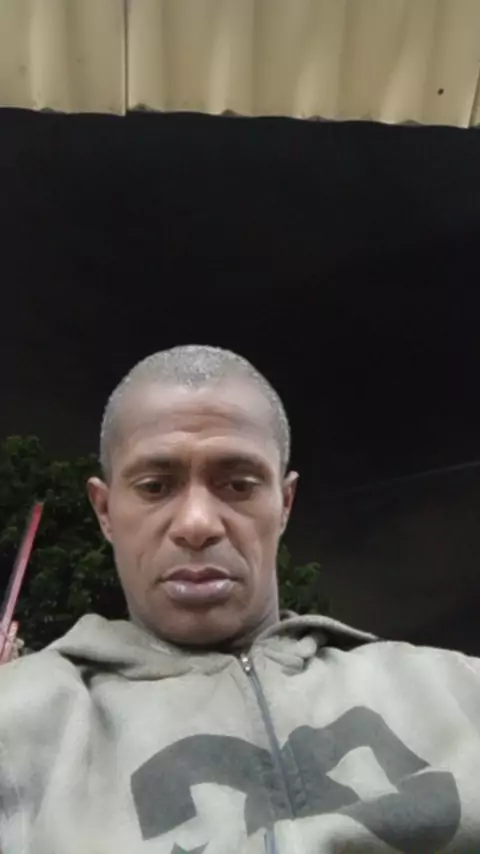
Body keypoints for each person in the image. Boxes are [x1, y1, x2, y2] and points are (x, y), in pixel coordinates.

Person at [0, 344, 479, 854]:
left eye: (238, 485)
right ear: (104, 511)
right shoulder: (21, 718)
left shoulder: (456, 688)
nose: (197, 524)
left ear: (284, 503)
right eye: (155, 487)